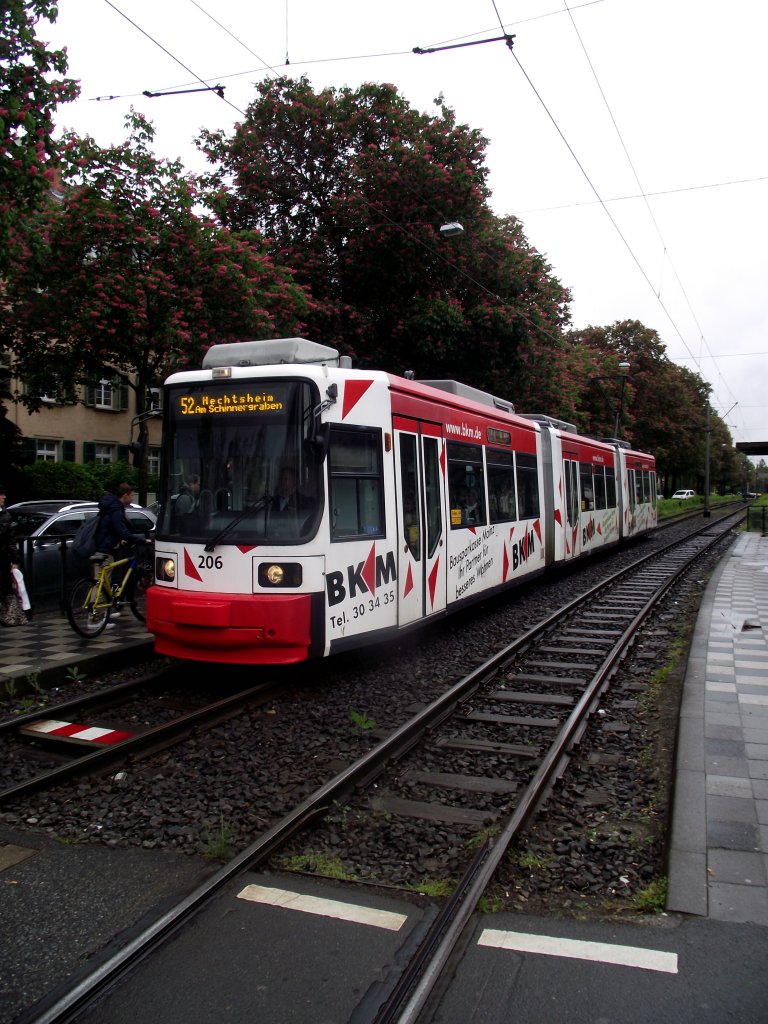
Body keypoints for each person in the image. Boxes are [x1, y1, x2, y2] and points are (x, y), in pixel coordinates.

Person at [93, 484, 149, 617]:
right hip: (104, 550)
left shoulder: (111, 507)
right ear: (125, 495)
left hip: (104, 547)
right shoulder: (116, 510)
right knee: (100, 584)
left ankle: (105, 612)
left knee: (104, 583)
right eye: (132, 495)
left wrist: (119, 540)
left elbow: (109, 528)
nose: (133, 498)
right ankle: (95, 618)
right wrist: (142, 540)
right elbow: (122, 531)